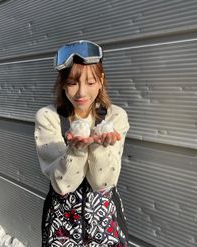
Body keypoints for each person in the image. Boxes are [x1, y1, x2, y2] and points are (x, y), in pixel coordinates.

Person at [34, 40, 130, 246]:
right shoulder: (49, 117)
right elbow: (62, 184)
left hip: (105, 225)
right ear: (62, 83)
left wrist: (98, 146)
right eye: (72, 82)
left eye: (91, 82)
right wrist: (76, 151)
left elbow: (103, 183)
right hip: (61, 226)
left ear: (101, 80)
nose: (81, 93)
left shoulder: (115, 117)